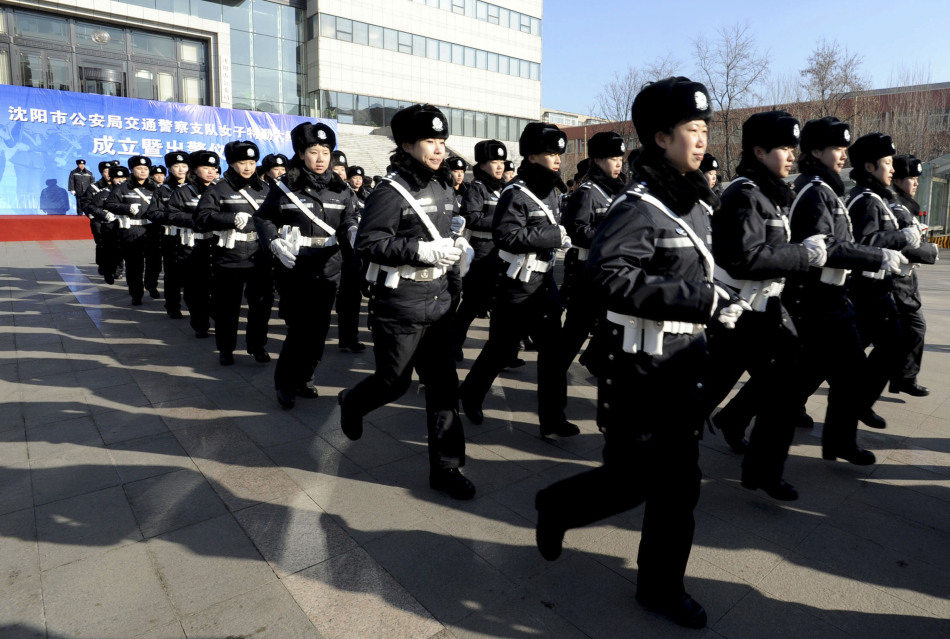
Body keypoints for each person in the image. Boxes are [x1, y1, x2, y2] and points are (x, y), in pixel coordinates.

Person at [535, 77, 744, 630]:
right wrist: (700, 298)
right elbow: (604, 279)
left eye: (704, 129)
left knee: (679, 487)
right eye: (691, 130)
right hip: (640, 372)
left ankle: (659, 587)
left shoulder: (695, 202)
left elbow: (697, 272)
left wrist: (721, 300)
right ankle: (556, 507)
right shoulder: (639, 206)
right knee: (630, 482)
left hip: (684, 366)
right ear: (659, 136)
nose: (702, 139)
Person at [338, 103, 475, 500]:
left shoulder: (445, 186)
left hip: (438, 302)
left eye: (442, 141)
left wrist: (456, 259)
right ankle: (352, 401)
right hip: (400, 303)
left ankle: (447, 469)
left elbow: (446, 237)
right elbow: (369, 242)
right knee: (393, 383)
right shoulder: (390, 190)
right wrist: (420, 250)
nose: (439, 150)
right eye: (431, 142)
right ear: (407, 144)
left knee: (444, 389)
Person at [702, 111, 826, 501]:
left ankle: (760, 466)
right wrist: (802, 256)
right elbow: (746, 258)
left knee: (782, 388)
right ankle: (655, 444)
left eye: (794, 148)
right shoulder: (744, 195)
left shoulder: (767, 194)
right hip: (741, 312)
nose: (792, 156)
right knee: (711, 387)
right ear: (758, 151)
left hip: (763, 310)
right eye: (784, 148)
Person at [784, 118, 907, 465]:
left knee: (831, 373)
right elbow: (828, 247)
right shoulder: (814, 191)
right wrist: (878, 255)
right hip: (816, 298)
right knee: (842, 373)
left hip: (831, 297)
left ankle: (838, 441)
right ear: (815, 151)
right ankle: (833, 442)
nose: (843, 155)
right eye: (837, 149)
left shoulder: (825, 189)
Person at [459, 122, 579, 439]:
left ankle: (553, 418)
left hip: (544, 283)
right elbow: (507, 236)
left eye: (559, 153)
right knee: (500, 350)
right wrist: (553, 235)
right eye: (551, 153)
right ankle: (470, 393)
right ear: (532, 156)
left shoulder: (552, 192)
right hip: (516, 285)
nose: (557, 159)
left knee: (553, 355)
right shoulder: (516, 193)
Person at [254, 122, 359, 408]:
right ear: (301, 154)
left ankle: (304, 378)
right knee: (300, 329)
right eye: (314, 151)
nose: (321, 157)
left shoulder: (342, 189)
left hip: (328, 267)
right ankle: (285, 384)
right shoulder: (285, 187)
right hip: (295, 267)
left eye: (326, 151)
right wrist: (273, 241)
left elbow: (348, 217)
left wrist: (351, 230)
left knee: (320, 329)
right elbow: (263, 218)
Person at [845, 133, 918, 418]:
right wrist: (902, 237)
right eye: (886, 163)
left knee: (883, 347)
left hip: (877, 288)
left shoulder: (876, 198)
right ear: (869, 167)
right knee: (891, 346)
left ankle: (858, 405)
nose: (892, 168)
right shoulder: (866, 200)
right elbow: (864, 244)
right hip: (865, 289)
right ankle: (859, 406)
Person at [195, 141, 274, 366]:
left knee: (261, 305)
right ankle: (226, 349)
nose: (248, 167)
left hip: (260, 255)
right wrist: (229, 219)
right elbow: (201, 218)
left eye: (251, 162)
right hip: (230, 255)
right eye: (242, 162)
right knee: (227, 307)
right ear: (231, 163)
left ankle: (257, 345)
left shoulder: (265, 188)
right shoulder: (218, 188)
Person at [559, 131, 627, 373]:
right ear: (597, 160)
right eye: (612, 158)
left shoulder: (617, 190)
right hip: (585, 272)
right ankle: (553, 376)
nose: (618, 163)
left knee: (611, 327)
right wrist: (609, 237)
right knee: (575, 331)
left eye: (620, 158)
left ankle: (595, 362)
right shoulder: (588, 191)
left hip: (608, 271)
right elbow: (575, 229)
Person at [452, 139, 508, 358]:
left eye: (502, 161)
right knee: (471, 306)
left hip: (502, 253)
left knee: (501, 307)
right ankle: (452, 346)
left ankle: (503, 353)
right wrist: (502, 222)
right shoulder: (477, 188)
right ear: (483, 164)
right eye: (494, 161)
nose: (500, 166)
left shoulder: (504, 187)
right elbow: (471, 218)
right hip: (482, 254)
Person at [889, 155, 937, 396]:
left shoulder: (905, 206)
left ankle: (904, 378)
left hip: (905, 281)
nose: (916, 183)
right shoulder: (895, 208)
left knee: (912, 330)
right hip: (893, 281)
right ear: (896, 180)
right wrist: (931, 251)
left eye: (918, 179)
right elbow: (906, 246)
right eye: (911, 178)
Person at [165, 150, 220, 338]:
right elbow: (171, 214)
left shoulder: (221, 190)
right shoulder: (183, 192)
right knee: (195, 290)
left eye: (213, 168)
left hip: (217, 246)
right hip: (192, 247)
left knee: (217, 288)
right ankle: (200, 324)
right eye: (206, 168)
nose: (211, 172)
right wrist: (197, 220)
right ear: (195, 170)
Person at [105, 156, 160, 305]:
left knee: (154, 263)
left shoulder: (155, 187)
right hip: (131, 229)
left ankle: (151, 285)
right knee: (134, 265)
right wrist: (126, 208)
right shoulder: (122, 187)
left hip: (151, 229)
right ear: (132, 170)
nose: (143, 171)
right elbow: (109, 204)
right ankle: (136, 293)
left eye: (146, 169)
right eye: (139, 168)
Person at [143, 152, 190, 319]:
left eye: (184, 166)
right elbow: (153, 213)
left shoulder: (194, 188)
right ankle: (172, 306)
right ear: (170, 168)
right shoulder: (163, 190)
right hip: (171, 236)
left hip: (193, 237)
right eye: (177, 166)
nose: (181, 169)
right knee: (172, 274)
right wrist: (172, 217)